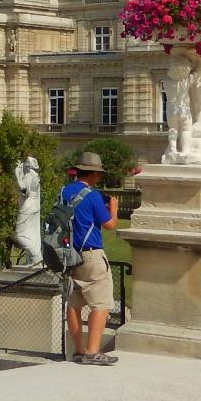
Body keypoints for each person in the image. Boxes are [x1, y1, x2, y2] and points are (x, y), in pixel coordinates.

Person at [63, 151, 119, 366]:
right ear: (94, 174)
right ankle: (93, 351)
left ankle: (78, 350)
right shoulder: (93, 195)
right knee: (101, 303)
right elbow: (110, 225)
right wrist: (113, 209)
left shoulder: (64, 192)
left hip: (69, 255)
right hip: (90, 254)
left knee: (74, 304)